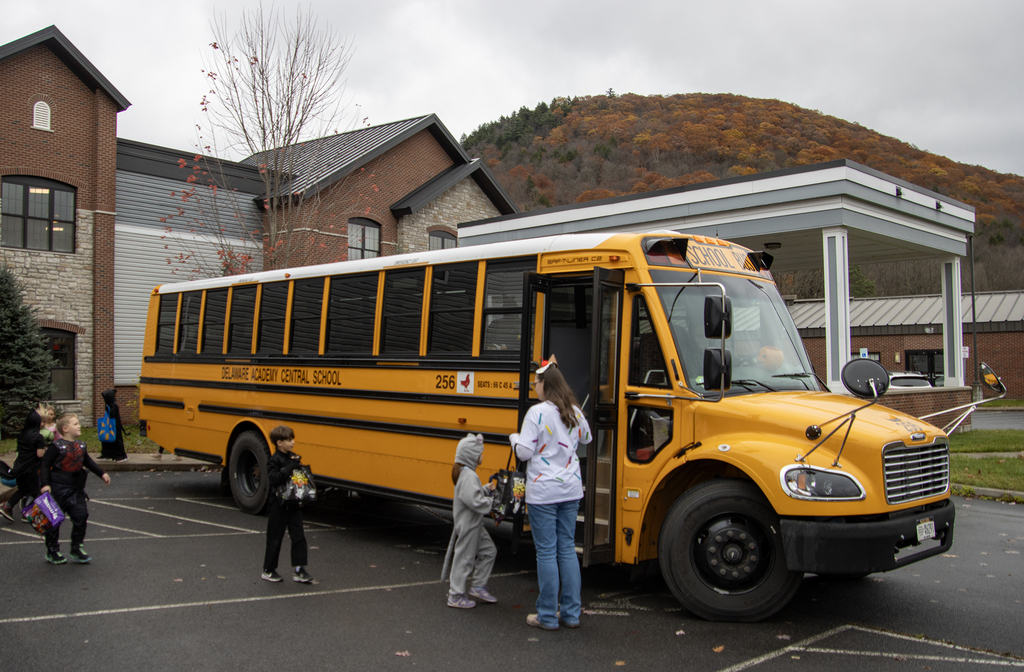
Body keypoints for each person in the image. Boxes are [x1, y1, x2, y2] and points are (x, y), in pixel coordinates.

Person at [512, 356, 592, 630]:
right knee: (567, 550)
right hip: (570, 490)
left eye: (536, 382)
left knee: (546, 553)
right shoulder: (573, 409)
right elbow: (587, 438)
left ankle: (547, 615)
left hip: (543, 492)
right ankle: (571, 614)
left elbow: (524, 451)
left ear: (545, 384)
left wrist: (514, 439)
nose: (534, 387)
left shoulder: (536, 413)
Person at [39, 413, 111, 564]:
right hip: (58, 488)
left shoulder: (81, 446)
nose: (79, 426)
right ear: (65, 429)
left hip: (75, 489)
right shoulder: (55, 447)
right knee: (54, 521)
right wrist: (45, 484)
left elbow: (88, 462)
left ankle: (76, 547)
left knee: (81, 516)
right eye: (76, 424)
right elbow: (45, 464)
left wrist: (102, 473)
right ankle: (52, 550)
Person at [440, 433, 498, 609]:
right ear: (471, 455)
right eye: (480, 453)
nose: (482, 456)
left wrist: (486, 489)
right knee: (464, 559)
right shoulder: (468, 476)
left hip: (473, 524)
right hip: (469, 525)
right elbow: (474, 501)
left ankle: (478, 585)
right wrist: (493, 503)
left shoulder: (466, 474)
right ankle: (455, 595)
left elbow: (472, 494)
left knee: (489, 551)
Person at [262, 425, 313, 584]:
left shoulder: (293, 458)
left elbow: (298, 479)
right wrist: (291, 467)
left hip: (293, 503)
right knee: (275, 537)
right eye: (289, 440)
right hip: (278, 504)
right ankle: (268, 570)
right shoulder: (273, 460)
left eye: (292, 439)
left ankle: (299, 569)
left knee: (299, 536)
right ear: (279, 443)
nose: (293, 442)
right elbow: (275, 479)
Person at [1, 406, 47, 523]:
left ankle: (8, 506)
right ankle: (28, 514)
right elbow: (40, 454)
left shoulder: (21, 435)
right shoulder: (38, 437)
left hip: (20, 467)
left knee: (22, 489)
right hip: (31, 469)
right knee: (35, 492)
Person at [99, 389, 129, 463]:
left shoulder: (113, 405)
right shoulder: (110, 405)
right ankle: (107, 454)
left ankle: (121, 456)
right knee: (107, 440)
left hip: (114, 426)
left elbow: (112, 414)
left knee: (116, 441)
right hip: (110, 425)